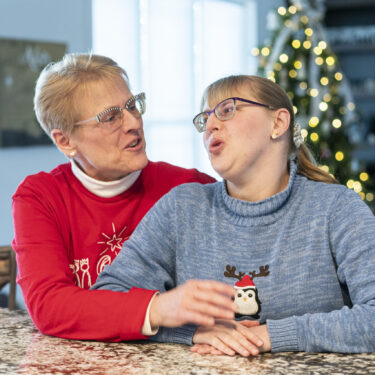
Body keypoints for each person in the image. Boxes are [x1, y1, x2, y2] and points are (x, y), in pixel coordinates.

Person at [93, 74, 375, 356]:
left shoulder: (336, 208)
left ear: (277, 123)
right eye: (205, 119)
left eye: (227, 110)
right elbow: (104, 303)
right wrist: (192, 333)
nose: (210, 126)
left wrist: (268, 336)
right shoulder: (181, 208)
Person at [11, 53, 240, 342]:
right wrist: (157, 308)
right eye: (110, 117)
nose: (134, 122)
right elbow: (50, 306)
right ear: (64, 141)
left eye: (132, 105)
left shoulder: (189, 187)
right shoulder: (40, 197)